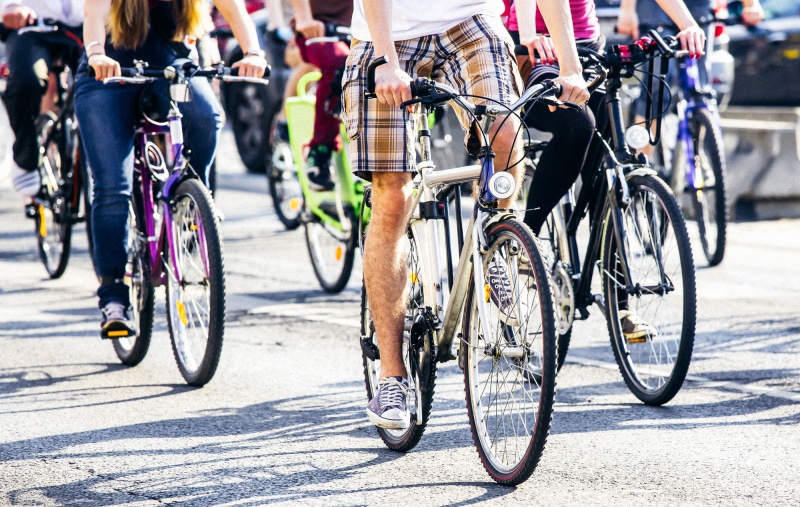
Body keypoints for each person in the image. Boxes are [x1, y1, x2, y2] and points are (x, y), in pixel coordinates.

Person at [344, 0, 589, 430]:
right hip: (385, 34)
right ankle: (392, 376)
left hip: (470, 20)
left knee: (506, 134)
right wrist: (384, 61)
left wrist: (571, 66)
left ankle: (495, 245)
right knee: (393, 197)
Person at [507, 0, 705, 340]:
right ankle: (526, 242)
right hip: (533, 51)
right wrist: (529, 34)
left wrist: (687, 24)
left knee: (610, 165)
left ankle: (621, 303)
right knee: (578, 126)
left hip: (588, 51)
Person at [76, 0, 267, 337]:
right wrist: (95, 54)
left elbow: (235, 10)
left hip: (171, 65)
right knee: (112, 188)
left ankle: (191, 202)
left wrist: (253, 53)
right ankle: (114, 297)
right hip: (109, 68)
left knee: (207, 118)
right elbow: (93, 16)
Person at [617, 0, 764, 154]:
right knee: (658, 83)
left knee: (701, 87)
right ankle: (643, 159)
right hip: (656, 6)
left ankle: (697, 158)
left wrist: (751, 4)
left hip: (698, 5)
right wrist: (627, 8)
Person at [1, 0, 84, 198]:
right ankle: (26, 159)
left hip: (87, 27)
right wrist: (11, 6)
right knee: (26, 80)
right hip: (32, 28)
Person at [289, 0, 352, 191]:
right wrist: (303, 17)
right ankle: (319, 150)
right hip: (320, 28)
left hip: (364, 30)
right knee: (339, 62)